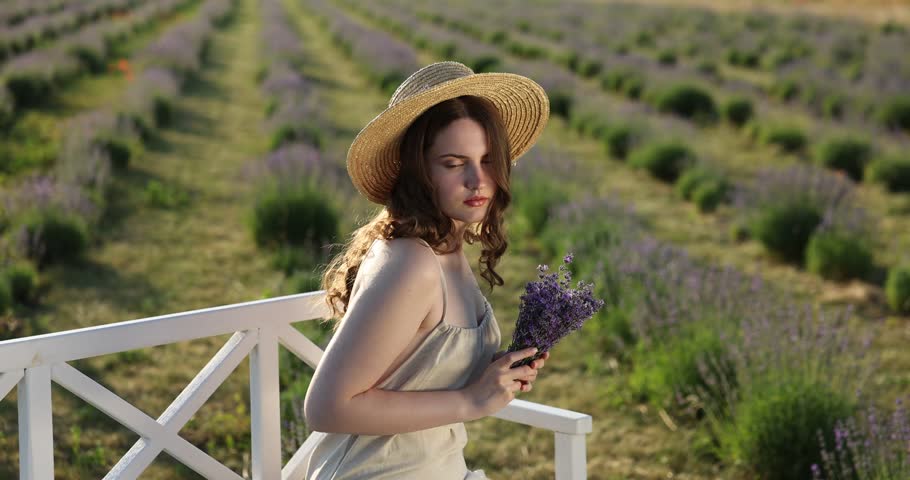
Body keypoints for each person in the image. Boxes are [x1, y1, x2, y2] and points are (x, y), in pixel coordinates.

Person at [303, 61, 551, 479]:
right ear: (418, 173)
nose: (478, 180)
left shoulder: (446, 244)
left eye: (488, 159)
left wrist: (498, 374)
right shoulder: (411, 262)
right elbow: (327, 406)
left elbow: (421, 366)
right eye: (454, 164)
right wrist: (473, 400)